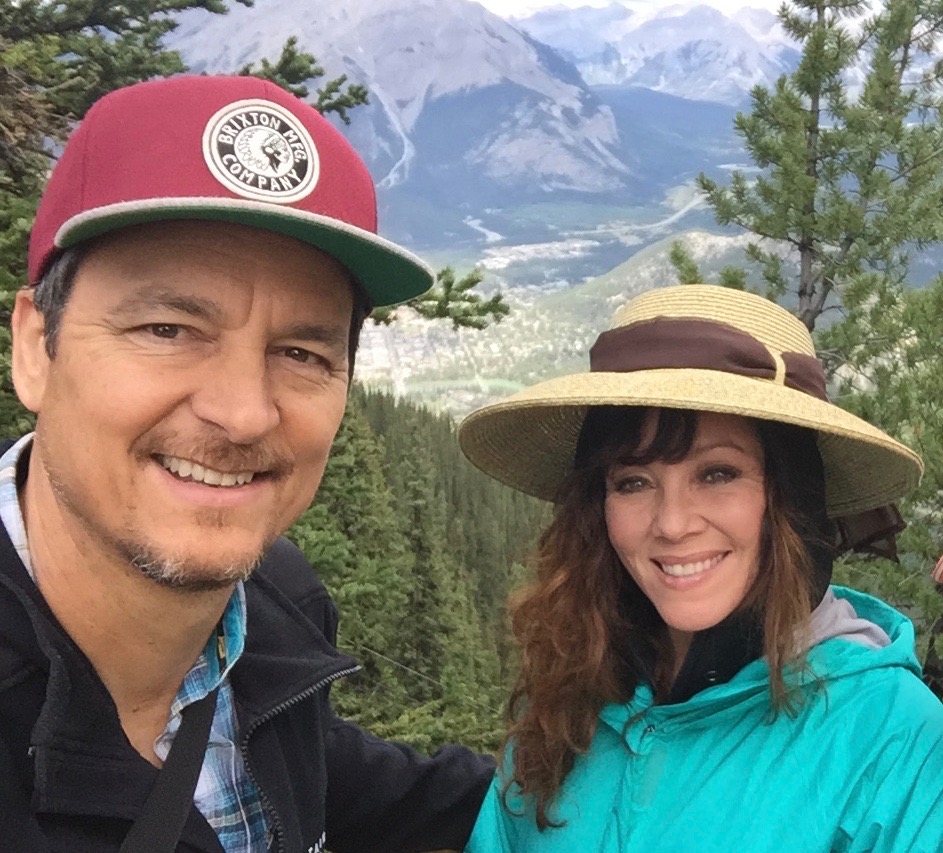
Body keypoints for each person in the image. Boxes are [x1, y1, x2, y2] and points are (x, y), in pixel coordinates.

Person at [0, 74, 494, 852]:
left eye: (300, 352)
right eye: (167, 329)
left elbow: (342, 781)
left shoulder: (269, 603)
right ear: (36, 348)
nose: (243, 412)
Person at [458, 285, 943, 851]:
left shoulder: (893, 740)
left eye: (717, 474)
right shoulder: (570, 703)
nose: (671, 523)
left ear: (791, 497)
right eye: (633, 482)